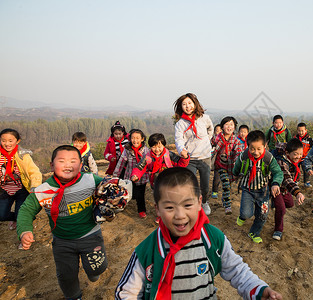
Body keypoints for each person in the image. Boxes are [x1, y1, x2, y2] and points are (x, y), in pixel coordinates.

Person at [115, 167, 283, 300]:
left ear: (199, 202)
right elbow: (126, 293)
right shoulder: (147, 250)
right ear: (157, 209)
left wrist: (260, 290)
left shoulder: (212, 239)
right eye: (169, 207)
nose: (180, 215)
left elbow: (237, 271)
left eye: (187, 205)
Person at [17, 145, 130, 300]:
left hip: (91, 235)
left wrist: (120, 192)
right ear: (51, 165)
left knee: (98, 267)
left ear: (80, 163)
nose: (68, 165)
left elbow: (111, 184)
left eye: (73, 161)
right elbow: (26, 210)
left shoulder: (89, 180)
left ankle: (93, 273)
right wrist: (24, 230)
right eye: (62, 161)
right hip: (62, 241)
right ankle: (74, 297)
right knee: (66, 275)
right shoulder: (44, 190)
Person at [232, 130, 283, 243]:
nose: (255, 152)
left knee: (263, 215)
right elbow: (236, 166)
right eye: (252, 148)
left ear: (265, 145)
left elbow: (278, 172)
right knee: (246, 213)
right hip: (247, 189)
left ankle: (254, 232)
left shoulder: (269, 158)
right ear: (248, 146)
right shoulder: (244, 156)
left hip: (264, 191)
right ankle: (242, 216)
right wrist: (234, 175)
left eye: (259, 149)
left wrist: (275, 184)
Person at [173, 93, 214, 215]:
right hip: (190, 158)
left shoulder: (204, 118)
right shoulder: (180, 123)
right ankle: (193, 203)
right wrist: (181, 150)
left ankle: (204, 202)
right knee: (190, 184)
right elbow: (178, 139)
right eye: (184, 104)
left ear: (195, 104)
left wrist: (206, 141)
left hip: (205, 157)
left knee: (205, 185)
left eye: (189, 103)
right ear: (181, 107)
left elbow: (210, 129)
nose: (188, 106)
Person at [0, 129, 42, 231]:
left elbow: (34, 172)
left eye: (10, 141)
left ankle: (23, 237)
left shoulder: (22, 155)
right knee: (2, 215)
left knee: (22, 215)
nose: (7, 144)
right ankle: (15, 218)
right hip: (4, 189)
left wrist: (35, 187)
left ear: (17, 141)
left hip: (21, 189)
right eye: (3, 140)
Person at [272, 139, 305, 240]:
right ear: (287, 153)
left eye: (300, 154)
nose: (298, 157)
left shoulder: (292, 161)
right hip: (276, 188)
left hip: (286, 190)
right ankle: (278, 230)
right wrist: (298, 193)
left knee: (290, 204)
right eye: (295, 154)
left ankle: (276, 204)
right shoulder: (281, 162)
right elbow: (286, 179)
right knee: (281, 209)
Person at [114, 129, 150, 218]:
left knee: (140, 195)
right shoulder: (127, 150)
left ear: (142, 139)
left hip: (142, 177)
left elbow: (150, 164)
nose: (135, 140)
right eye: (133, 138)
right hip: (130, 175)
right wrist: (115, 176)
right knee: (130, 193)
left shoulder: (146, 151)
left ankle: (141, 210)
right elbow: (121, 163)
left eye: (137, 138)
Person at [211, 116, 244, 214]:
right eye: (226, 124)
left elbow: (238, 153)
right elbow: (210, 146)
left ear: (234, 127)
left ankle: (224, 200)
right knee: (225, 184)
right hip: (220, 165)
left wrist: (237, 164)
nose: (229, 127)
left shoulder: (236, 141)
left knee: (228, 185)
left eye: (231, 125)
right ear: (222, 127)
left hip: (231, 167)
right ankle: (228, 205)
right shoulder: (217, 138)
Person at [294, 123, 313, 187]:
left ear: (306, 130)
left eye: (302, 130)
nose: (301, 132)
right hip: (296, 158)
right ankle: (295, 181)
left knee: (306, 169)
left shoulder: (309, 139)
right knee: (295, 169)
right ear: (297, 131)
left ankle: (307, 182)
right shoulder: (295, 139)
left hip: (305, 158)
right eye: (299, 131)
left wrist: (311, 156)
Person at [211, 124, 222, 200]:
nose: (218, 132)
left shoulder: (228, 139)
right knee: (216, 178)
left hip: (226, 162)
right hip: (217, 162)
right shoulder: (213, 139)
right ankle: (215, 191)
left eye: (220, 131)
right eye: (217, 131)